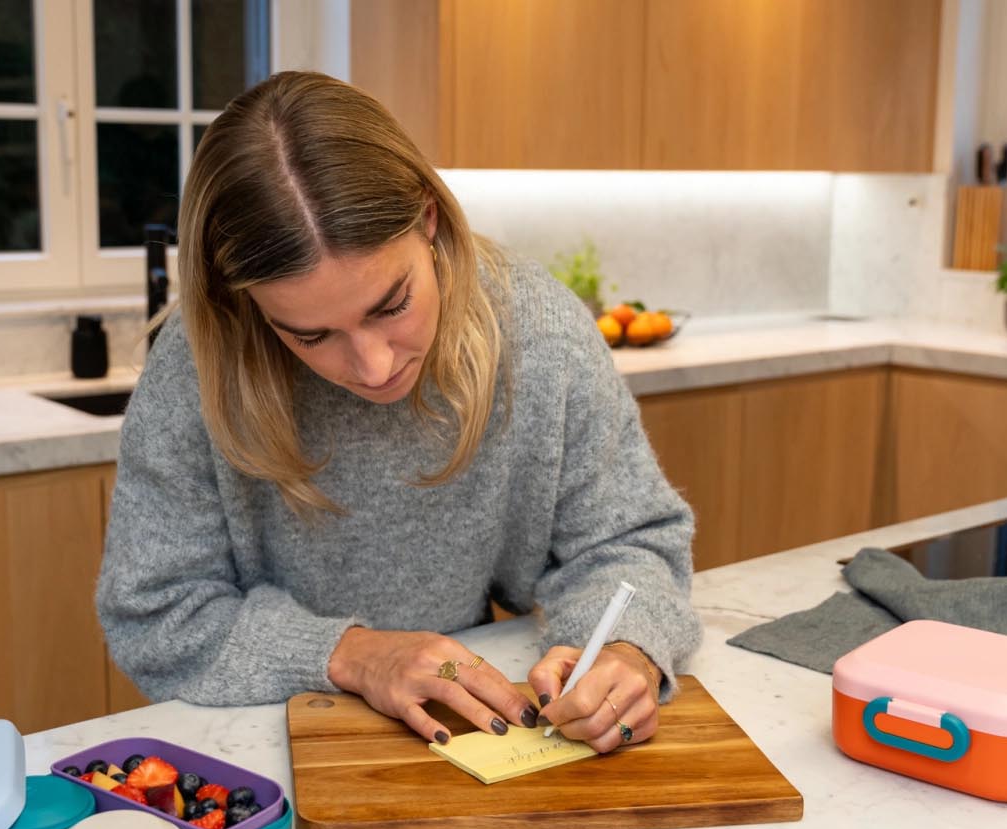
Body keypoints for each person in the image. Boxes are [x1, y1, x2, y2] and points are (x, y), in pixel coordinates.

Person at [96, 71, 701, 752]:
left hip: (470, 736)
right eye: (309, 335)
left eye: (391, 306)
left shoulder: (538, 333)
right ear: (249, 309)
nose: (374, 368)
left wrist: (622, 650)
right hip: (263, 747)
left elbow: (627, 542)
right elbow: (155, 614)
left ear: (429, 218)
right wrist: (354, 655)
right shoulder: (198, 367)